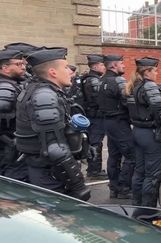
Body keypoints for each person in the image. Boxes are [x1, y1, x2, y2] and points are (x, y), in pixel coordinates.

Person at [15, 47, 90, 201]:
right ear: (52, 72)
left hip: (48, 169)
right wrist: (78, 185)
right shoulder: (44, 96)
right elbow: (55, 149)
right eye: (65, 67)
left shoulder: (45, 90)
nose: (70, 71)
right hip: (49, 174)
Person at [125, 57, 161, 206]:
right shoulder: (150, 87)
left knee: (139, 171)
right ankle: (148, 211)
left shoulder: (135, 85)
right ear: (147, 71)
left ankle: (137, 206)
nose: (157, 72)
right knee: (153, 175)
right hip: (150, 135)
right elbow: (160, 114)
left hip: (138, 132)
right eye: (155, 70)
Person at [97, 54, 135, 199]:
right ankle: (124, 188)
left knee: (114, 155)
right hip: (119, 122)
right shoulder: (119, 81)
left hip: (108, 122)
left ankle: (114, 187)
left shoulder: (101, 81)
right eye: (121, 63)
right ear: (113, 66)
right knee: (131, 156)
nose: (124, 66)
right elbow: (128, 102)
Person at [0, 49, 28, 182]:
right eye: (18, 64)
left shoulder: (14, 84)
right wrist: (9, 141)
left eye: (23, 64)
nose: (23, 67)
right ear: (5, 68)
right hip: (7, 149)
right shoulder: (5, 87)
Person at [81, 54, 108, 180]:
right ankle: (94, 170)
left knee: (93, 142)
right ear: (95, 66)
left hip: (91, 115)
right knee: (96, 143)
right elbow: (99, 99)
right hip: (95, 116)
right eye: (102, 65)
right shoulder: (94, 80)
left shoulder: (87, 78)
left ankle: (94, 168)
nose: (104, 67)